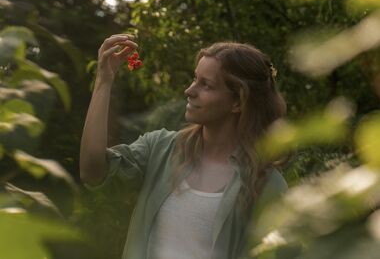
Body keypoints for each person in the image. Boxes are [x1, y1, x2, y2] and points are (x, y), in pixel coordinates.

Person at [80, 34, 288, 259]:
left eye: (206, 85)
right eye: (194, 78)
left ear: (238, 102)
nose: (190, 90)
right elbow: (92, 171)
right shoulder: (161, 148)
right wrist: (104, 80)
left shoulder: (264, 183)